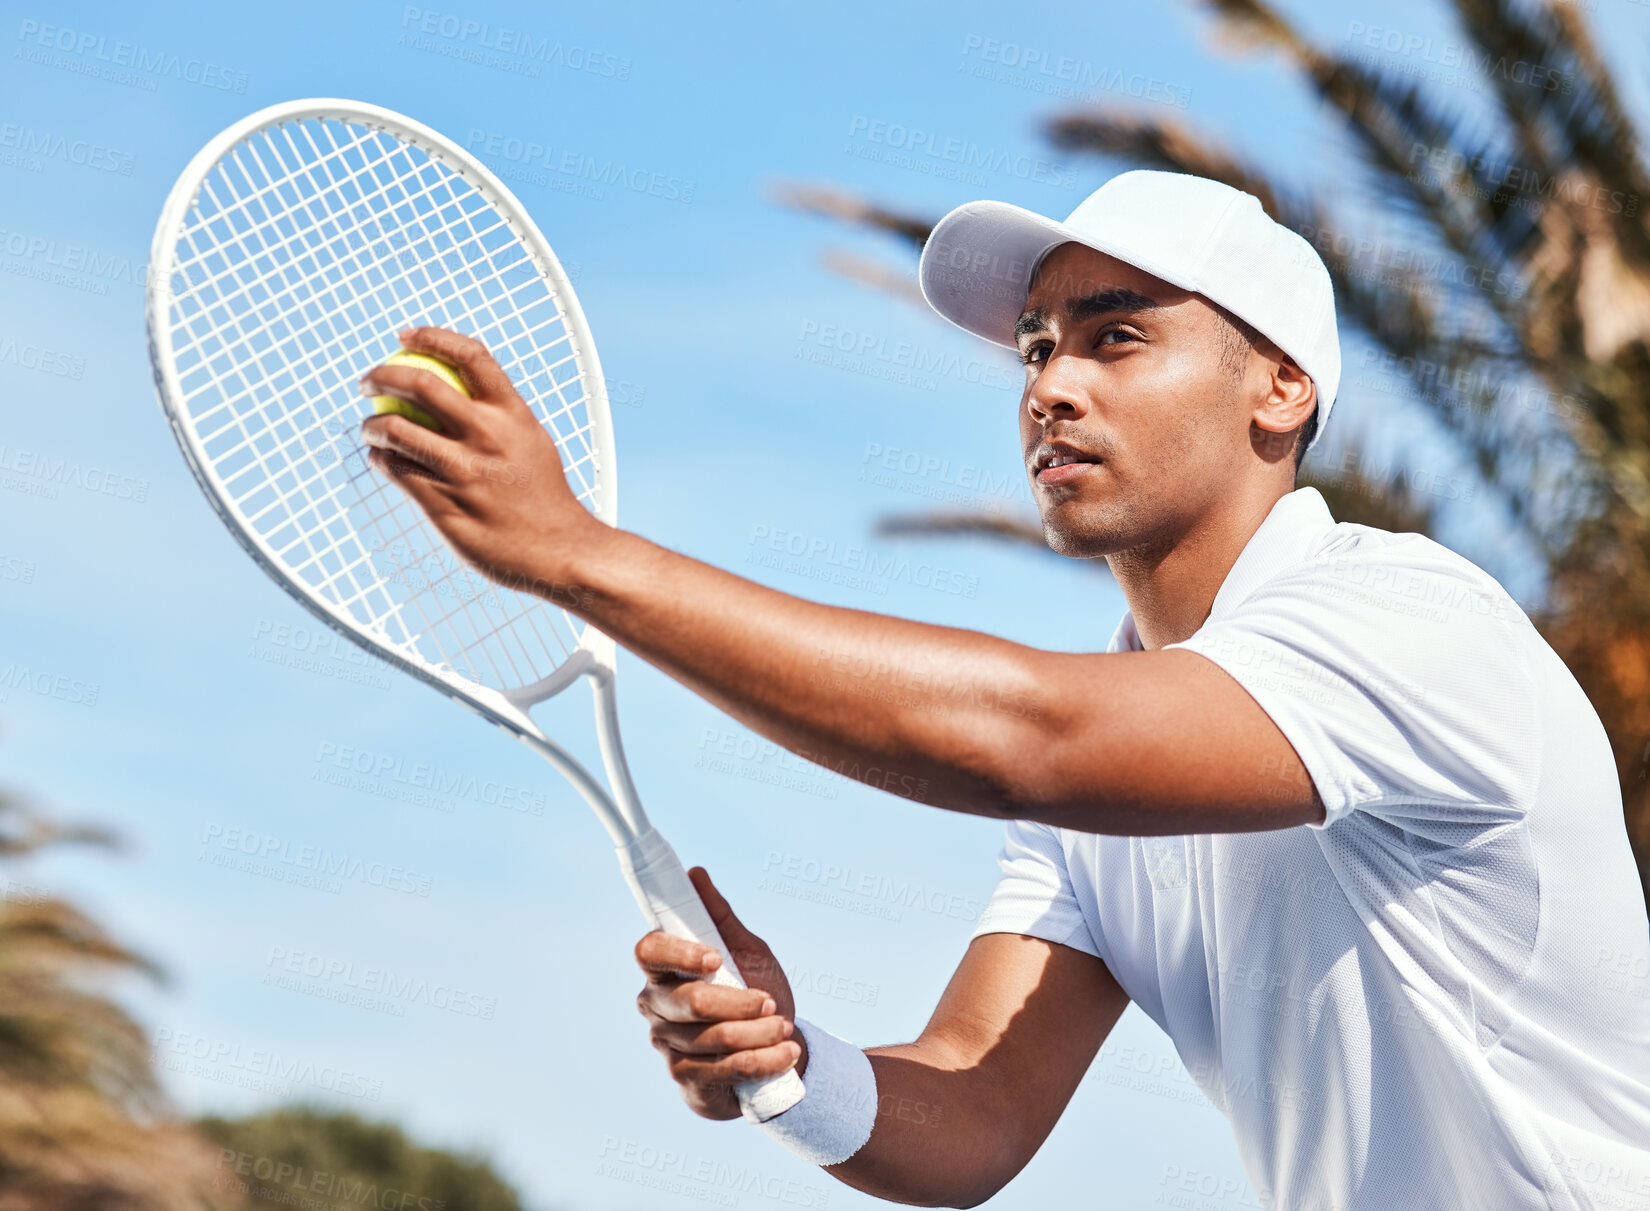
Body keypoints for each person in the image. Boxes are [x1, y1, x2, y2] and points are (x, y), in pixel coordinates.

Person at [358, 170, 1650, 1210]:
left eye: (1117, 337)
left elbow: (1022, 738)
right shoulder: (1117, 739)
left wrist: (580, 558)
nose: (1050, 386)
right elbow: (973, 1105)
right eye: (1036, 349)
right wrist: (789, 1069)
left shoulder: (1407, 623)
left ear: (1281, 387)